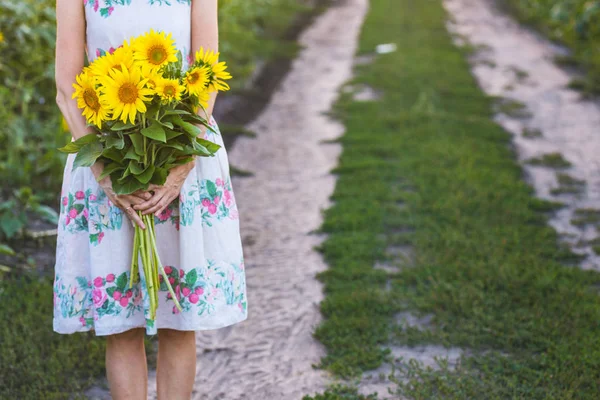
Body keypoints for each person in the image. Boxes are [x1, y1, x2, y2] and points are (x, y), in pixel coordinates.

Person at [53, 1, 248, 398]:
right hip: (106, 155)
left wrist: (181, 165)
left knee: (180, 320)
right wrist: (106, 173)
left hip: (181, 151)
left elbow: (205, 74)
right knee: (122, 325)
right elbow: (66, 85)